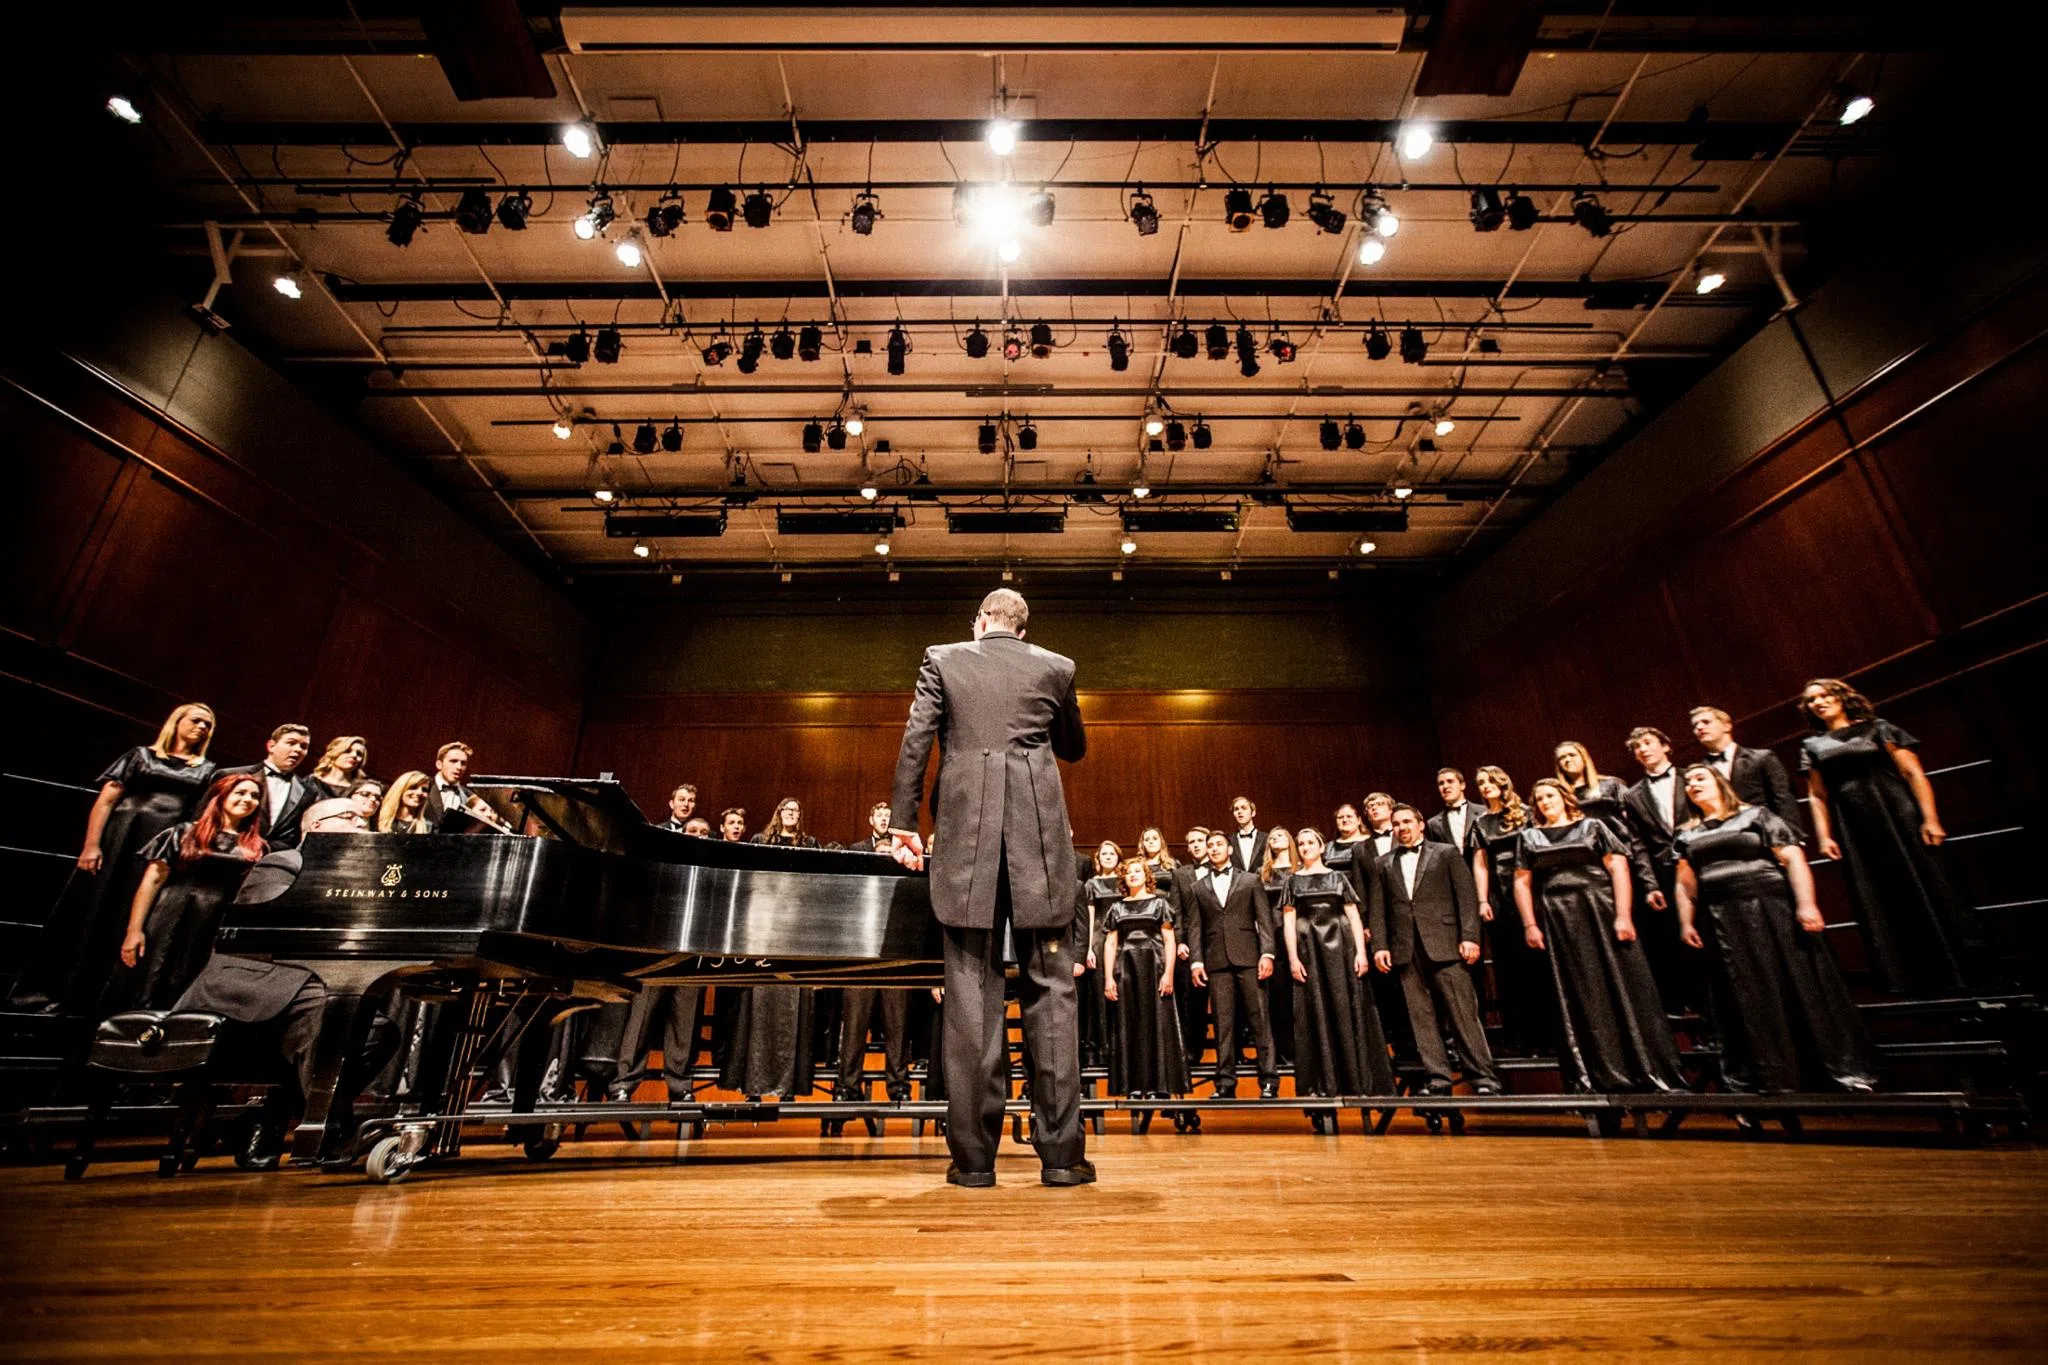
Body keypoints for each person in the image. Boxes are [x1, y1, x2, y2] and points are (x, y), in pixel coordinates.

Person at [888, 587, 1090, 1188]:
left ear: (979, 622)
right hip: (1040, 850)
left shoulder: (943, 659)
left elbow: (915, 743)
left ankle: (974, 1162)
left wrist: (903, 822)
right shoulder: (1056, 668)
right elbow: (1074, 748)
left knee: (971, 1002)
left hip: (966, 849)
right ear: (1024, 630)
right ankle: (1060, 1158)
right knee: (1052, 997)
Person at [1674, 764, 1878, 1095]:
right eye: (1688, 782)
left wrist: (1806, 904)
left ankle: (1836, 1069)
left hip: (1772, 909)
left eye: (1700, 778)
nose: (1692, 785)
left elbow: (1793, 858)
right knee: (1744, 992)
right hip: (1722, 920)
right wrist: (1686, 922)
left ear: (1720, 783)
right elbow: (1685, 884)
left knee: (1795, 980)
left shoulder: (1757, 815)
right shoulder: (1686, 833)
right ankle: (1768, 1075)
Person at [9, 702, 219, 1014]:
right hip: (121, 838)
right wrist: (91, 844)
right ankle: (56, 989)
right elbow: (106, 801)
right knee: (92, 909)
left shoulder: (205, 769)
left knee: (128, 916)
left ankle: (96, 994)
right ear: (176, 722)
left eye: (207, 725)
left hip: (159, 846)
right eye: (196, 720)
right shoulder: (141, 756)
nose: (201, 728)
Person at [1798, 678, 1980, 994]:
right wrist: (1824, 836)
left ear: (1842, 697)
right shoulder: (1812, 745)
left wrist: (1930, 818)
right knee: (1878, 893)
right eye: (1811, 700)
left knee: (1930, 882)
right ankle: (1909, 979)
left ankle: (1967, 970)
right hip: (1853, 826)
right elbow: (1817, 795)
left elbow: (1912, 773)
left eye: (1824, 695)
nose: (1818, 702)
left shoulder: (1877, 727)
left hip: (1896, 812)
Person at [1513, 779, 1684, 1093]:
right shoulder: (1529, 837)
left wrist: (1623, 914)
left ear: (1564, 798)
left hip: (1599, 908)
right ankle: (1596, 1073)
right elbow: (1522, 883)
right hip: (1558, 917)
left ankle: (1644, 1068)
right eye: (1539, 799)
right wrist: (1530, 924)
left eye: (1550, 795)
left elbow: (1619, 870)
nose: (1545, 802)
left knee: (1619, 979)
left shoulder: (1593, 827)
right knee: (1577, 988)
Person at [108, 771, 269, 1011]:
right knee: (151, 976)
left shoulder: (257, 847)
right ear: (221, 796)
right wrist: (134, 931)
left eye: (255, 796)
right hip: (171, 911)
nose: (248, 799)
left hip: (216, 922)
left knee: (192, 980)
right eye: (241, 792)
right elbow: (151, 882)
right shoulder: (184, 833)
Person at [1369, 806, 1501, 1096]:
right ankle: (1438, 1077)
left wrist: (1470, 937)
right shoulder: (1382, 863)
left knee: (1463, 1013)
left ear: (1420, 825)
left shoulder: (1446, 853)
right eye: (1396, 824)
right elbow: (1378, 909)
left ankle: (1482, 1076)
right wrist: (1379, 946)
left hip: (1446, 943)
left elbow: (1466, 898)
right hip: (1406, 948)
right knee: (1421, 1017)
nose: (1401, 827)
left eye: (1407, 822)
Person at [1283, 827, 1394, 1131]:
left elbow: (1354, 917)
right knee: (1314, 1012)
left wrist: (1361, 952)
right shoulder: (1292, 882)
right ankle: (1324, 1084)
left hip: (1341, 951)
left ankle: (1360, 1081)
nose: (1305, 847)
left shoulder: (1337, 877)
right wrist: (1293, 958)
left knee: (1350, 1010)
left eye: (1310, 842)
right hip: (1310, 953)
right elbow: (1289, 921)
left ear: (1321, 847)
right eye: (1301, 843)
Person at [1621, 726, 1711, 1030]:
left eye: (1648, 743)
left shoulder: (1695, 776)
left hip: (1705, 862)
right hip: (1666, 873)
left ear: (1666, 746)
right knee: (1685, 944)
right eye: (1637, 748)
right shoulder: (1633, 795)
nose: (1643, 750)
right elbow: (1638, 844)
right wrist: (1649, 885)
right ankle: (1702, 1018)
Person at [1185, 831, 1278, 1099]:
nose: (1213, 849)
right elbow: (1195, 928)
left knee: (1260, 1019)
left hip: (1249, 957)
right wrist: (1196, 961)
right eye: (1209, 845)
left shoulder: (1250, 880)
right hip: (1216, 961)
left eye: (1218, 845)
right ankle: (1225, 1082)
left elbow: (1264, 920)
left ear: (1229, 849)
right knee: (1223, 1023)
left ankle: (1269, 1080)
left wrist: (1267, 954)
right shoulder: (1198, 887)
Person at [1101, 858, 1190, 1131]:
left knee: (1157, 1025)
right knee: (1131, 1026)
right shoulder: (1116, 908)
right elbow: (1111, 942)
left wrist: (1169, 973)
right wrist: (1108, 978)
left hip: (1155, 969)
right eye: (1128, 872)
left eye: (1137, 871)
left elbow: (1169, 940)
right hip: (1126, 971)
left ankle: (1159, 1086)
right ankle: (1133, 1085)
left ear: (1147, 875)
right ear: (1124, 878)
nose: (1133, 875)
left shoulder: (1160, 904)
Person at [1471, 765, 1550, 1055]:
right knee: (1508, 966)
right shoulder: (1481, 822)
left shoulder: (1527, 813)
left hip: (1531, 889)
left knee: (1538, 963)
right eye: (1480, 782)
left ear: (1502, 782)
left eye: (1489, 780)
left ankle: (1549, 1035)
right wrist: (1482, 900)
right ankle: (1520, 1036)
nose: (1485, 786)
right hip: (1499, 893)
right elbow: (1480, 864)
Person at [1554, 740, 1658, 900]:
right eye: (1562, 758)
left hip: (1624, 853)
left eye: (1572, 755)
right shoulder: (1560, 798)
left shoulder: (1611, 785)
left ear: (1584, 757)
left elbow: (1635, 825)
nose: (1568, 760)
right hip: (1589, 865)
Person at [1139, 825, 1204, 1078]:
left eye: (1155, 837)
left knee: (1182, 992)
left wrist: (1180, 938)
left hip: (1169, 930)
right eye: (1146, 838)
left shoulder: (1174, 866)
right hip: (1145, 932)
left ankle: (1187, 1047)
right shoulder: (1135, 866)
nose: (1151, 841)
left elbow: (1181, 905)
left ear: (1162, 842)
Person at [1691, 706, 1802, 828]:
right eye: (1695, 726)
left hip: (1767, 831)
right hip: (1725, 837)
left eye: (1706, 722)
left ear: (1727, 726)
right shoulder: (1698, 774)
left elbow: (1784, 799)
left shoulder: (1762, 757)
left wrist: (1793, 835)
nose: (1699, 728)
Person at [217, 724, 317, 850]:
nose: (298, 749)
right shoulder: (231, 775)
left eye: (304, 746)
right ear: (271, 746)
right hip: (226, 850)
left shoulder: (307, 791)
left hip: (271, 861)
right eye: (291, 743)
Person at [1073, 840, 1124, 1072]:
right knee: (1099, 998)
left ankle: (1123, 1048)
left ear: (1118, 856)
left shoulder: (1125, 880)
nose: (1108, 856)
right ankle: (1102, 1050)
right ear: (1097, 858)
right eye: (1103, 853)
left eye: (1112, 853)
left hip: (1124, 940)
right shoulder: (1091, 884)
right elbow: (1089, 918)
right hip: (1100, 941)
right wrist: (1089, 949)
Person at [1256, 826, 1299, 1067]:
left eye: (1281, 835)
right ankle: (1284, 1051)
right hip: (1271, 936)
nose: (1275, 838)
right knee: (1279, 998)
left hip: (1299, 937)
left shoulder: (1300, 869)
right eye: (1271, 836)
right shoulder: (1262, 874)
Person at [1425, 769, 1482, 856]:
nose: (1445, 786)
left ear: (1462, 785)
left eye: (1450, 781)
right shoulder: (1433, 824)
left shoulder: (1483, 812)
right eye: (1441, 783)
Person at [305, 736, 369, 801]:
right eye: (347, 751)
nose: (354, 755)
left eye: (359, 754)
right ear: (335, 753)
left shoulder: (360, 790)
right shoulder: (311, 781)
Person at [753, 797, 819, 847]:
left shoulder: (810, 843)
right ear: (780, 813)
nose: (790, 813)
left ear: (799, 815)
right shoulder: (760, 840)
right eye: (787, 809)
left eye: (795, 810)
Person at [1223, 796, 1263, 872]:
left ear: (1253, 813)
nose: (1239, 812)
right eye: (1236, 809)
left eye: (1244, 808)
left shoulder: (1266, 838)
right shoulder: (1228, 840)